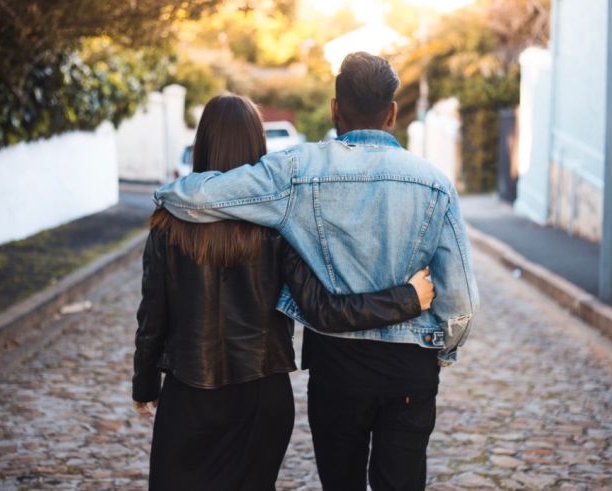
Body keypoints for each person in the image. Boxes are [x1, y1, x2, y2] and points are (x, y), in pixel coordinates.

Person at [152, 52, 480, 490]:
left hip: (337, 365)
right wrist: (440, 347)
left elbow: (204, 196)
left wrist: (166, 193)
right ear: (393, 113)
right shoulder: (435, 183)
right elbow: (461, 300)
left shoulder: (298, 171)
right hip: (409, 364)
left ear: (333, 109)